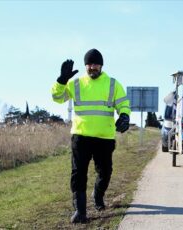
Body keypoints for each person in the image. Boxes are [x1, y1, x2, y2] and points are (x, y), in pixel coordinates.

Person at [51, 49, 131, 224]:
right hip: (81, 137)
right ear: (85, 66)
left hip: (105, 137)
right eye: (89, 64)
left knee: (105, 171)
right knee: (78, 173)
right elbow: (57, 98)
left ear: (101, 65)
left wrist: (124, 115)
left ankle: (98, 194)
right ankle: (80, 211)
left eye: (95, 64)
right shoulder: (76, 83)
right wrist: (61, 80)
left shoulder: (112, 84)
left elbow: (123, 104)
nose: (92, 67)